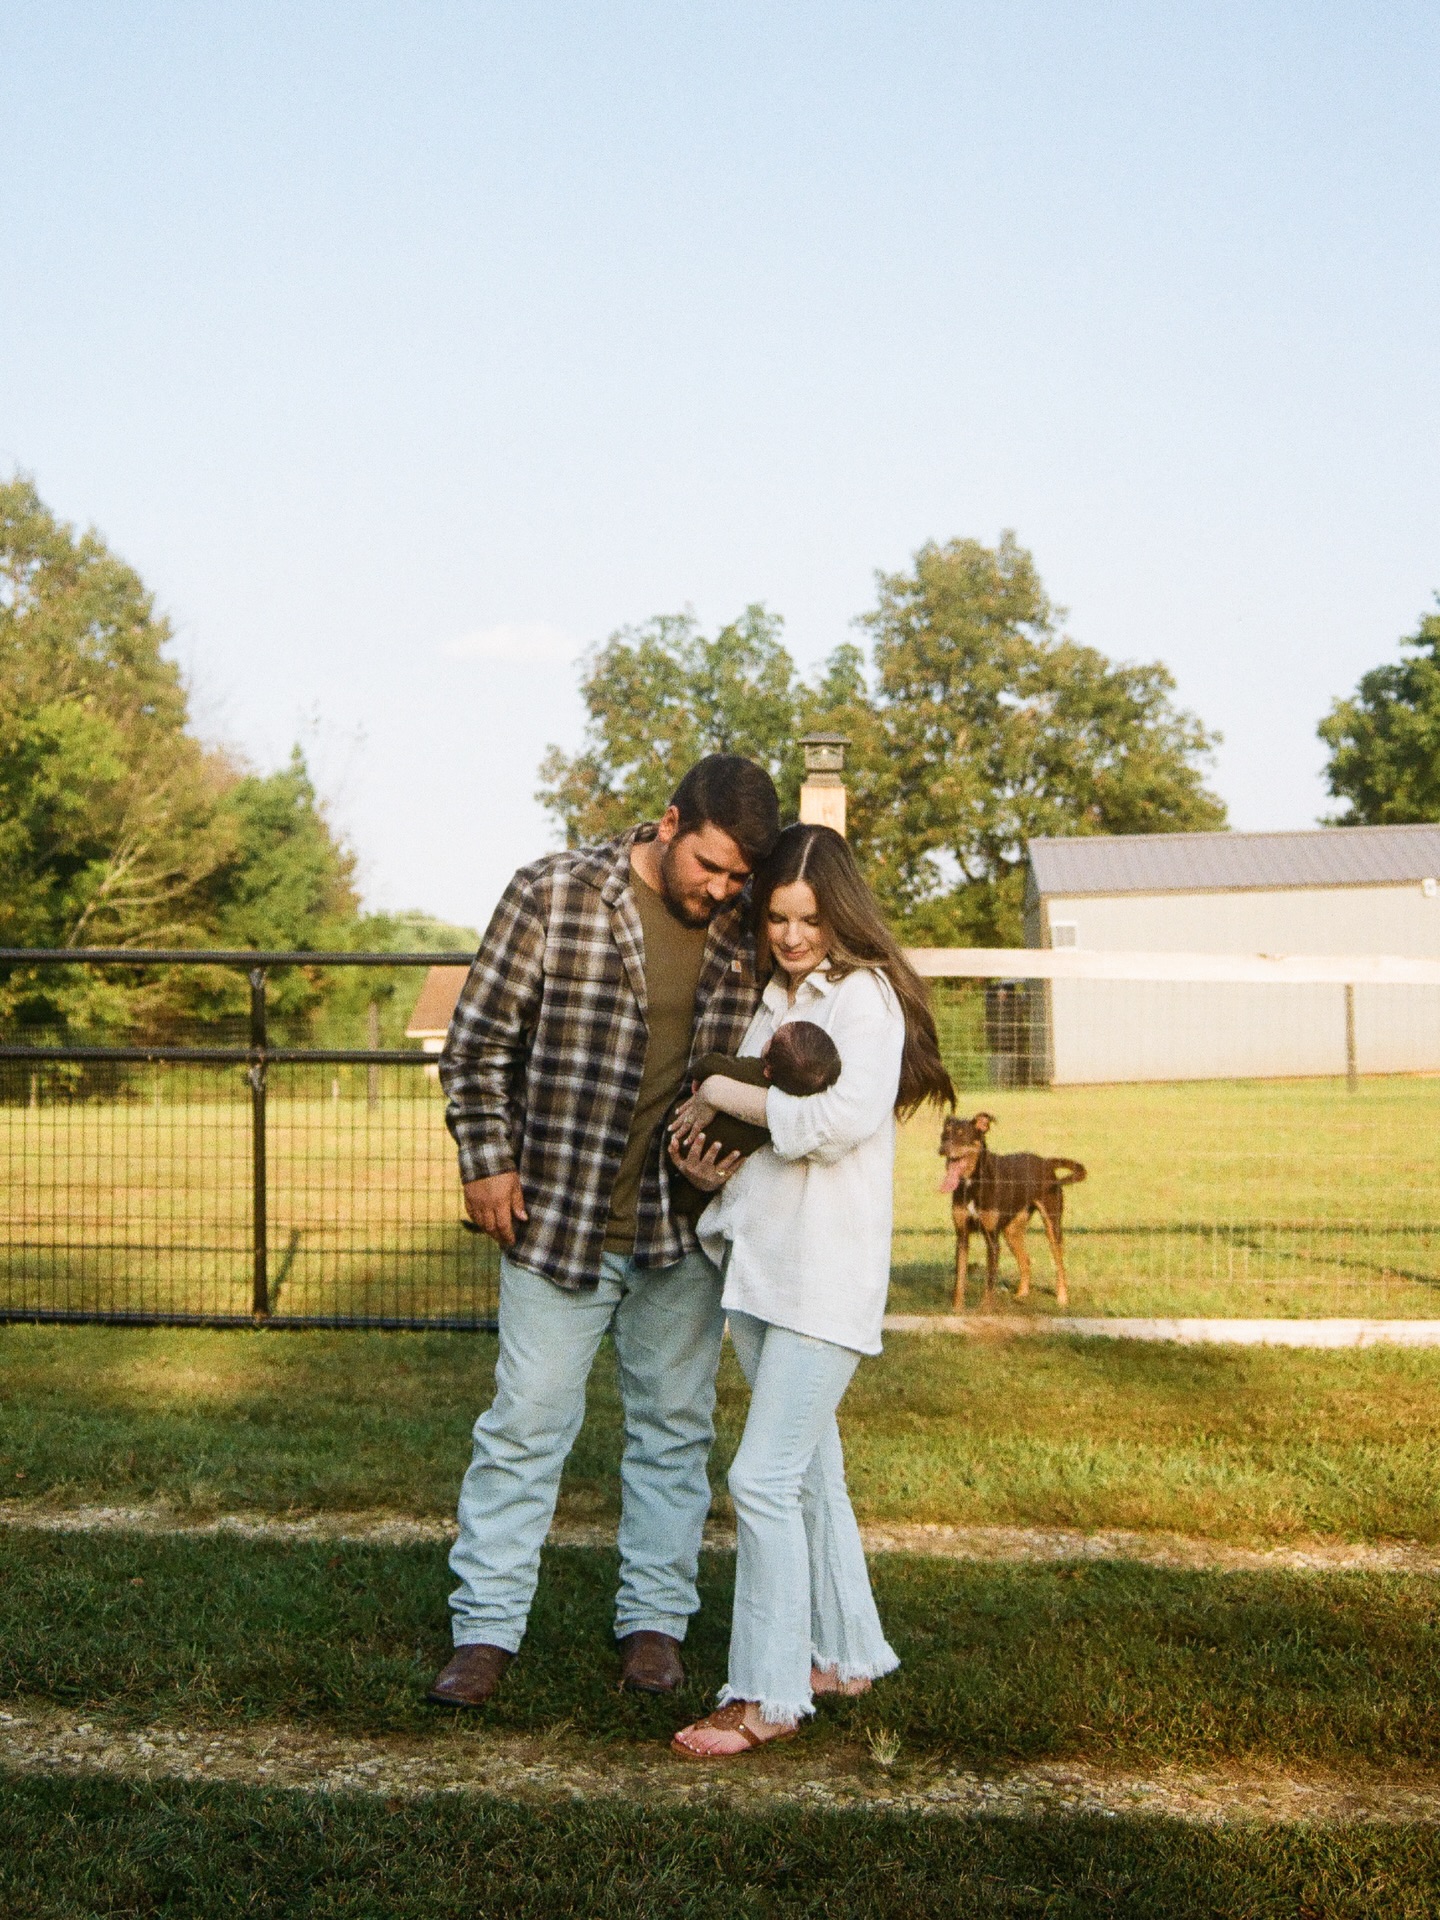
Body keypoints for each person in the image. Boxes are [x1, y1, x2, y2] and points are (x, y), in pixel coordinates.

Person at [428, 754, 781, 1709]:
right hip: (557, 1220)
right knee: (526, 1426)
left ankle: (654, 1628)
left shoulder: (749, 922)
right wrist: (486, 1161)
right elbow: (476, 1046)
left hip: (680, 1229)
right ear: (669, 824)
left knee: (674, 1432)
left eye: (739, 877)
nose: (723, 890)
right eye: (710, 866)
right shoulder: (552, 891)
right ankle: (484, 1633)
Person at [667, 822, 955, 1758]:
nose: (792, 937)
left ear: (842, 913)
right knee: (812, 1473)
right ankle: (846, 1654)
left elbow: (833, 1121)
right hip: (760, 1263)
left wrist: (715, 1090)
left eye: (810, 919)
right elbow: (757, 1131)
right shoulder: (776, 996)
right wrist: (706, 1161)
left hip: (826, 1277)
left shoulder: (865, 998)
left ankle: (766, 1695)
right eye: (777, 919)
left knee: (761, 1479)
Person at [666, 1022, 842, 1224]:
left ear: (768, 1071)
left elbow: (708, 1064)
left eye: (772, 1041)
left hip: (681, 1130)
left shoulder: (752, 1071)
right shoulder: (784, 1108)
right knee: (690, 1192)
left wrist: (704, 1077)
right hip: (721, 1159)